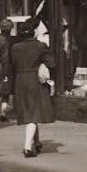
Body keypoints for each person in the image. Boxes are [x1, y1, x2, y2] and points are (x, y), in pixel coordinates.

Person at [12, 19, 55, 157]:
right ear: (34, 32)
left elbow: (12, 64)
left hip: (20, 80)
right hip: (35, 80)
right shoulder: (40, 46)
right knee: (33, 113)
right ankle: (27, 147)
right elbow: (52, 63)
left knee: (30, 111)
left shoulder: (15, 47)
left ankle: (36, 142)